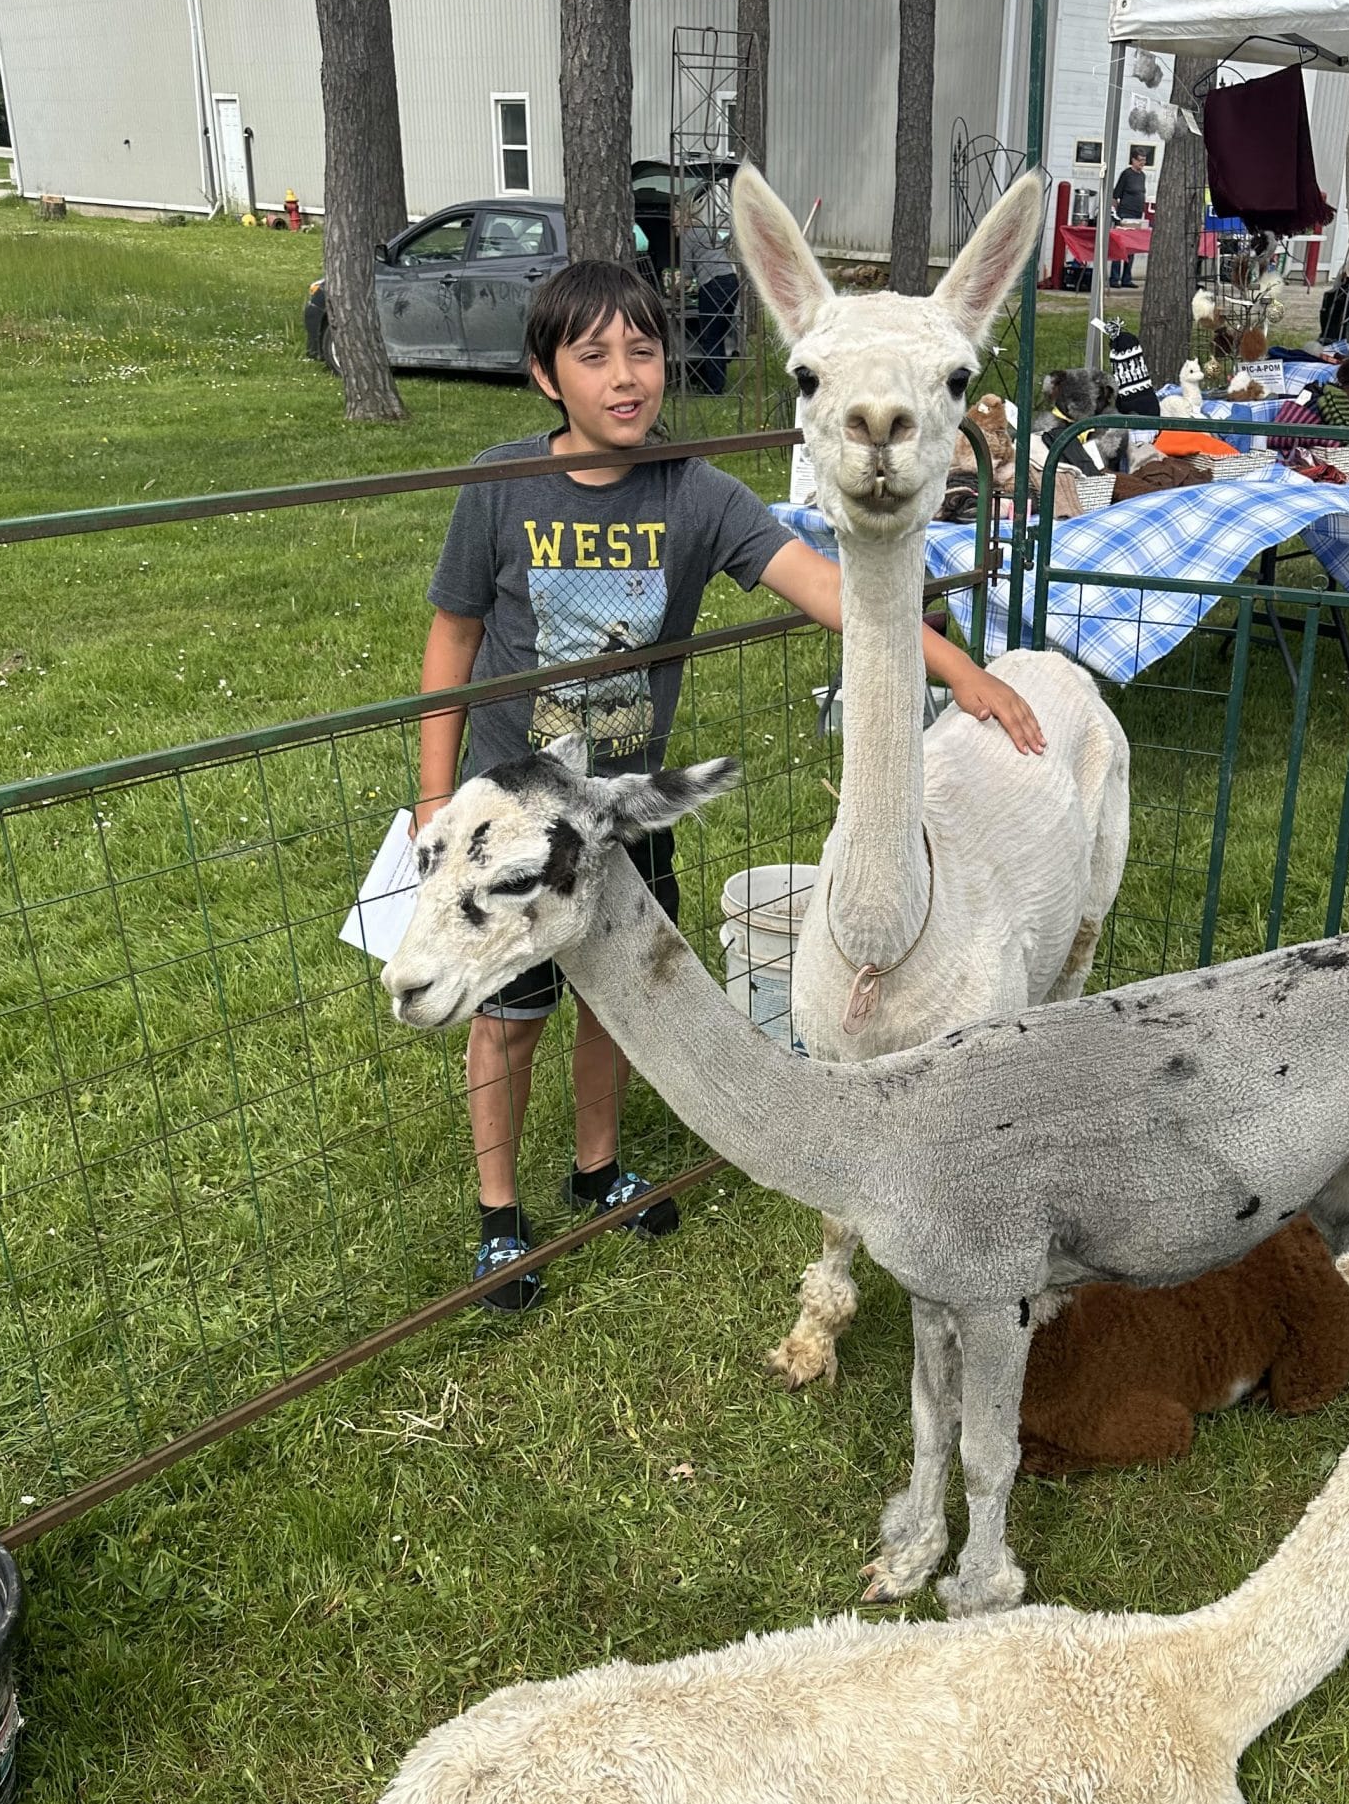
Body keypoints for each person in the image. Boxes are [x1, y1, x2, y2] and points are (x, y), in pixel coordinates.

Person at [417, 258, 1044, 1310]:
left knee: (616, 997)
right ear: (543, 376)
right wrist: (439, 800)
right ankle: (497, 1213)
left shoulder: (698, 494)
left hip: (627, 812)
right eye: (594, 356)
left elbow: (833, 591)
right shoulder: (500, 487)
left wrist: (962, 669)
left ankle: (598, 1167)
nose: (626, 377)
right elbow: (453, 635)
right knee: (509, 1012)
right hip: (513, 819)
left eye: (644, 352)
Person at [674, 200, 739, 396]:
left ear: (682, 220)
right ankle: (716, 383)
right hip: (731, 282)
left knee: (710, 338)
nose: (674, 227)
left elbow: (685, 272)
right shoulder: (707, 232)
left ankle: (713, 389)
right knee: (718, 335)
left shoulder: (687, 236)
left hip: (713, 285)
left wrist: (675, 290)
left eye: (675, 222)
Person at [1108, 148, 1151, 290]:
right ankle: (1114, 278)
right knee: (1120, 245)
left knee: (1131, 248)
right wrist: (1116, 214)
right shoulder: (1126, 174)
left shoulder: (1142, 176)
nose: (1142, 163)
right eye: (1140, 160)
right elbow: (1116, 195)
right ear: (1133, 160)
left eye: (1144, 161)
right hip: (1125, 213)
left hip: (1137, 214)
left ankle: (1127, 277)